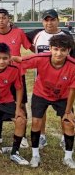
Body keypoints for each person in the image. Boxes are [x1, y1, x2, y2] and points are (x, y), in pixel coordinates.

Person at [14, 34, 75, 168]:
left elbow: (72, 89)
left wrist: (68, 111)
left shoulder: (73, 65)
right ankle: (35, 155)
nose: (59, 53)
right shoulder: (41, 58)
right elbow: (19, 60)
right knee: (36, 122)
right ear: (50, 48)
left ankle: (68, 157)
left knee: (69, 123)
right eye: (56, 49)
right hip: (41, 94)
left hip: (63, 96)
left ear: (69, 51)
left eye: (63, 50)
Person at [26, 9, 75, 149]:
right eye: (46, 20)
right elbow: (19, 37)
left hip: (63, 81)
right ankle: (42, 136)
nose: (49, 23)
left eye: (52, 20)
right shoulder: (36, 34)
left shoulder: (66, 35)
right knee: (41, 111)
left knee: (65, 111)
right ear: (43, 21)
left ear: (58, 20)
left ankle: (64, 137)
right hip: (42, 80)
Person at [0, 9, 30, 149]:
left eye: (4, 18)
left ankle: (23, 136)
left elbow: (30, 47)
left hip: (17, 74)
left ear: (8, 19)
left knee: (21, 104)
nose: (1, 20)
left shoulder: (19, 33)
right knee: (0, 103)